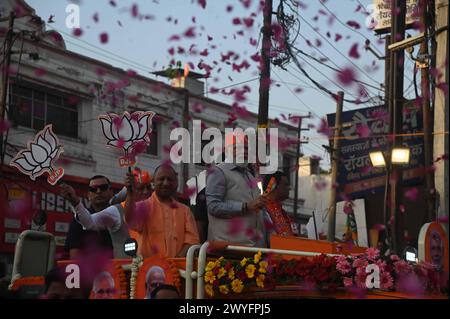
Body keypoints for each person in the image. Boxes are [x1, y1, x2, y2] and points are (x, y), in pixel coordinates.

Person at [60, 168, 152, 259]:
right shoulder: (116, 211)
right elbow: (89, 223)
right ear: (129, 190)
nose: (145, 191)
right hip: (126, 270)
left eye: (148, 187)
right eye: (140, 188)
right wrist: (75, 202)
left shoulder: (159, 206)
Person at [125, 164, 200, 258]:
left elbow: (192, 241)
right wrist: (129, 193)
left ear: (176, 183)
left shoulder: (185, 211)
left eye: (170, 179)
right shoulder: (143, 207)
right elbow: (131, 221)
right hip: (149, 269)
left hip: (177, 269)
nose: (165, 183)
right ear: (153, 182)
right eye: (161, 179)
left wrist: (173, 263)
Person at [206, 134, 267, 247]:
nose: (243, 152)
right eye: (237, 148)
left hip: (253, 248)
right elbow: (213, 206)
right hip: (228, 248)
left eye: (246, 148)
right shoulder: (218, 172)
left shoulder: (250, 175)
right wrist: (245, 206)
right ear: (226, 150)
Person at [63, 175, 115, 259]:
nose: (98, 191)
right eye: (93, 189)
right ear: (88, 195)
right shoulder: (79, 220)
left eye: (103, 187)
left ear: (111, 192)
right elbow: (75, 257)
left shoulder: (120, 215)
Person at [262, 171, 298, 244]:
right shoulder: (262, 209)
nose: (289, 188)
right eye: (286, 185)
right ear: (274, 186)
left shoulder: (283, 212)